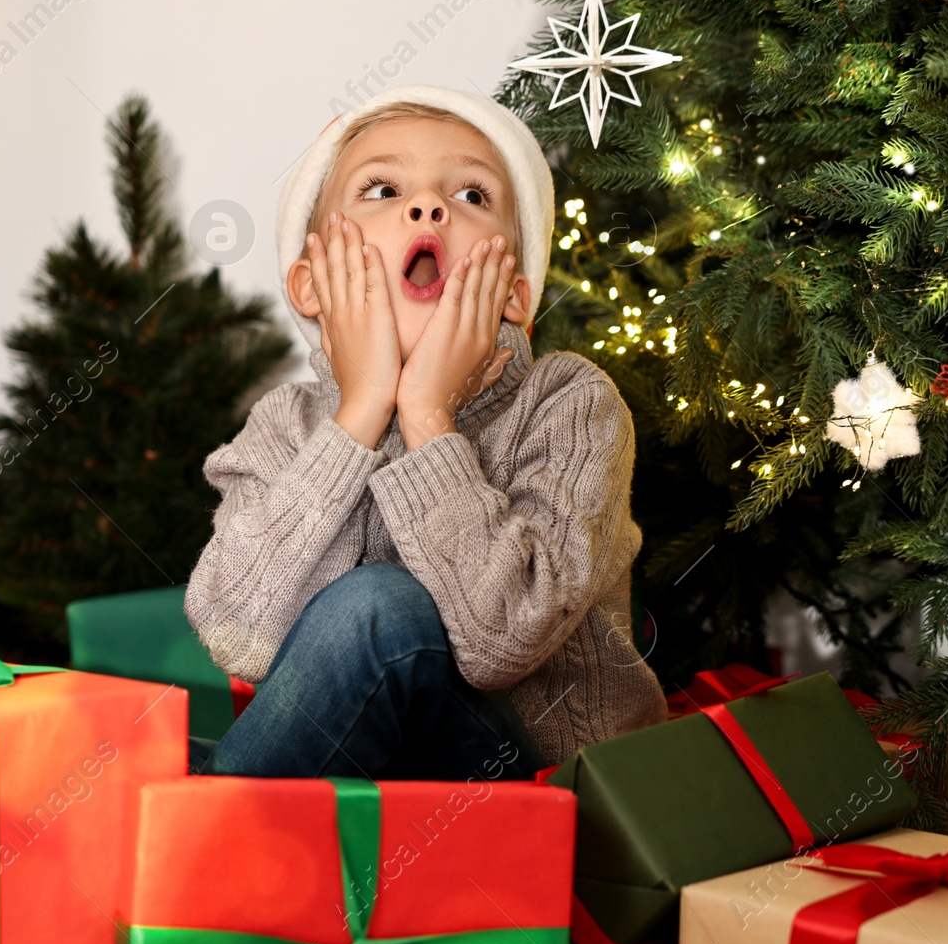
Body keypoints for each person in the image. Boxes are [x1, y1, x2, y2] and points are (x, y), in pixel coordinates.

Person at [183, 83, 668, 781]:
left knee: (380, 605)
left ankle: (208, 855)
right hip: (355, 786)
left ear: (514, 295)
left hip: (536, 790)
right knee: (147, 760)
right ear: (313, 282)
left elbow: (504, 640)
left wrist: (427, 418)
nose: (428, 207)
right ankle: (223, 834)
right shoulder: (284, 422)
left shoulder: (569, 401)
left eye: (472, 196)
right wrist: (362, 412)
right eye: (381, 188)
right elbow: (238, 633)